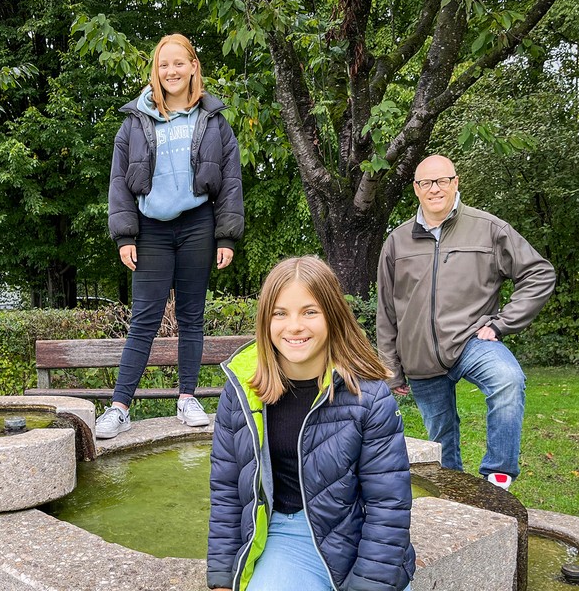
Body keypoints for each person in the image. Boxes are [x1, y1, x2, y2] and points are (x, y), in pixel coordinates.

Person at [208, 256, 415, 591]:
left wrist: (368, 585)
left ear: (332, 316)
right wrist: (221, 577)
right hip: (284, 533)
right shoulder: (241, 392)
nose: (294, 326)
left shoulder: (369, 396)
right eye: (280, 313)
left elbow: (387, 507)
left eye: (309, 311)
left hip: (357, 536)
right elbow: (227, 493)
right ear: (266, 320)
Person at [376, 154, 555, 490]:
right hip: (420, 356)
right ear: (416, 189)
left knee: (507, 380)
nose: (434, 189)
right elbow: (386, 309)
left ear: (455, 182)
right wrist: (390, 366)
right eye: (426, 183)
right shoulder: (397, 242)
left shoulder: (489, 229)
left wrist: (503, 323)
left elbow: (539, 273)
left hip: (473, 341)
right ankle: (457, 497)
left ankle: (497, 478)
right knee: (441, 445)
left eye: (442, 180)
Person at [99, 34, 244, 439]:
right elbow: (119, 182)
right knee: (143, 319)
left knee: (191, 317)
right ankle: (119, 407)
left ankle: (186, 397)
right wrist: (125, 234)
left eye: (179, 63)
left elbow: (231, 180)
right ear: (155, 71)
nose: (171, 72)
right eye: (164, 65)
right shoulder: (134, 120)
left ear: (194, 66)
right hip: (150, 230)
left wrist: (226, 237)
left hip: (198, 223)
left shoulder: (213, 119)